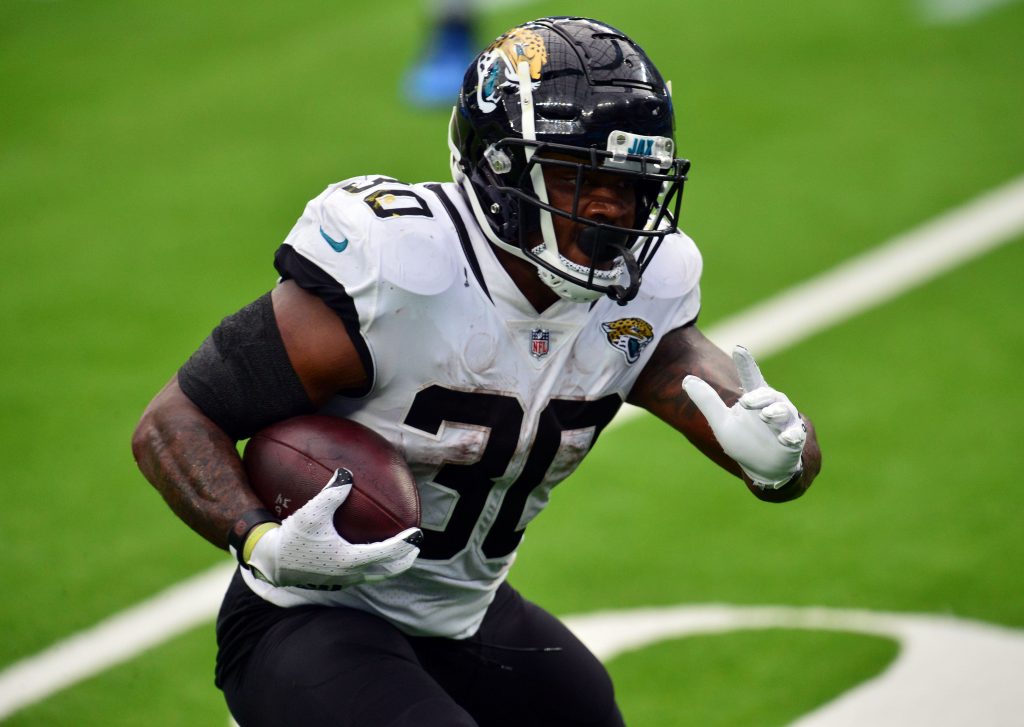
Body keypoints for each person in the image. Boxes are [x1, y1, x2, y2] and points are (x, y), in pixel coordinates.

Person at [132, 16, 821, 726]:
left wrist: (780, 454)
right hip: (303, 617)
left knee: (586, 709)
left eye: (632, 182)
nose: (615, 209)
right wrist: (262, 542)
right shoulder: (399, 270)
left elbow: (721, 397)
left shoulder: (645, 295)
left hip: (463, 613)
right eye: (581, 178)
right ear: (500, 168)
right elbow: (174, 421)